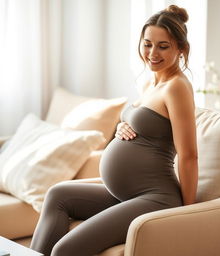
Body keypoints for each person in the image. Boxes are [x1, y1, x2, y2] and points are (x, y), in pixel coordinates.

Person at [30, 5, 198, 256]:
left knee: (64, 250)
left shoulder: (177, 87)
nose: (152, 53)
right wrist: (122, 126)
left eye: (163, 46)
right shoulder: (151, 81)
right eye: (147, 43)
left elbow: (189, 155)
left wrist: (186, 212)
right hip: (128, 195)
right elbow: (151, 125)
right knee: (58, 195)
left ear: (181, 49)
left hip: (156, 197)